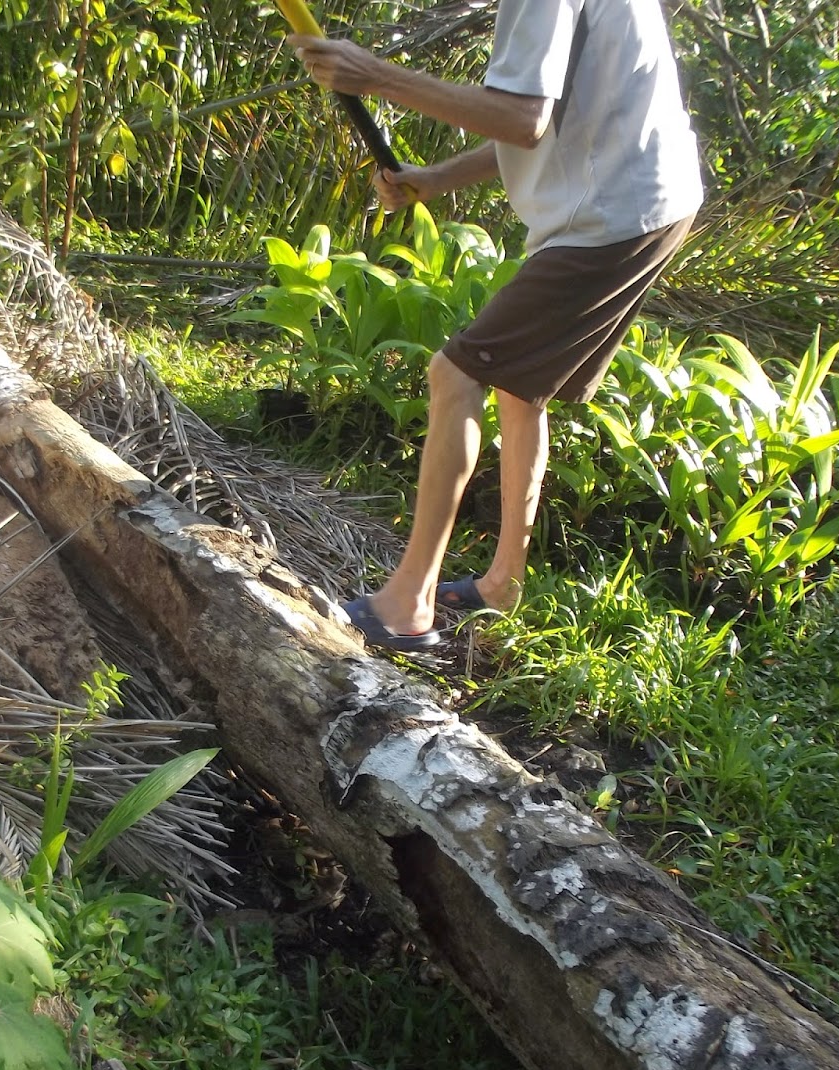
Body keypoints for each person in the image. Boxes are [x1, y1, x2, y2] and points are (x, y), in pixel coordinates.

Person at [288, 0, 703, 651]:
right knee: (519, 385)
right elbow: (552, 117)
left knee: (455, 373)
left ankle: (407, 605)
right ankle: (504, 582)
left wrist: (375, 75)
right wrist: (437, 178)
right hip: (640, 202)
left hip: (611, 214)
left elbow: (522, 118)